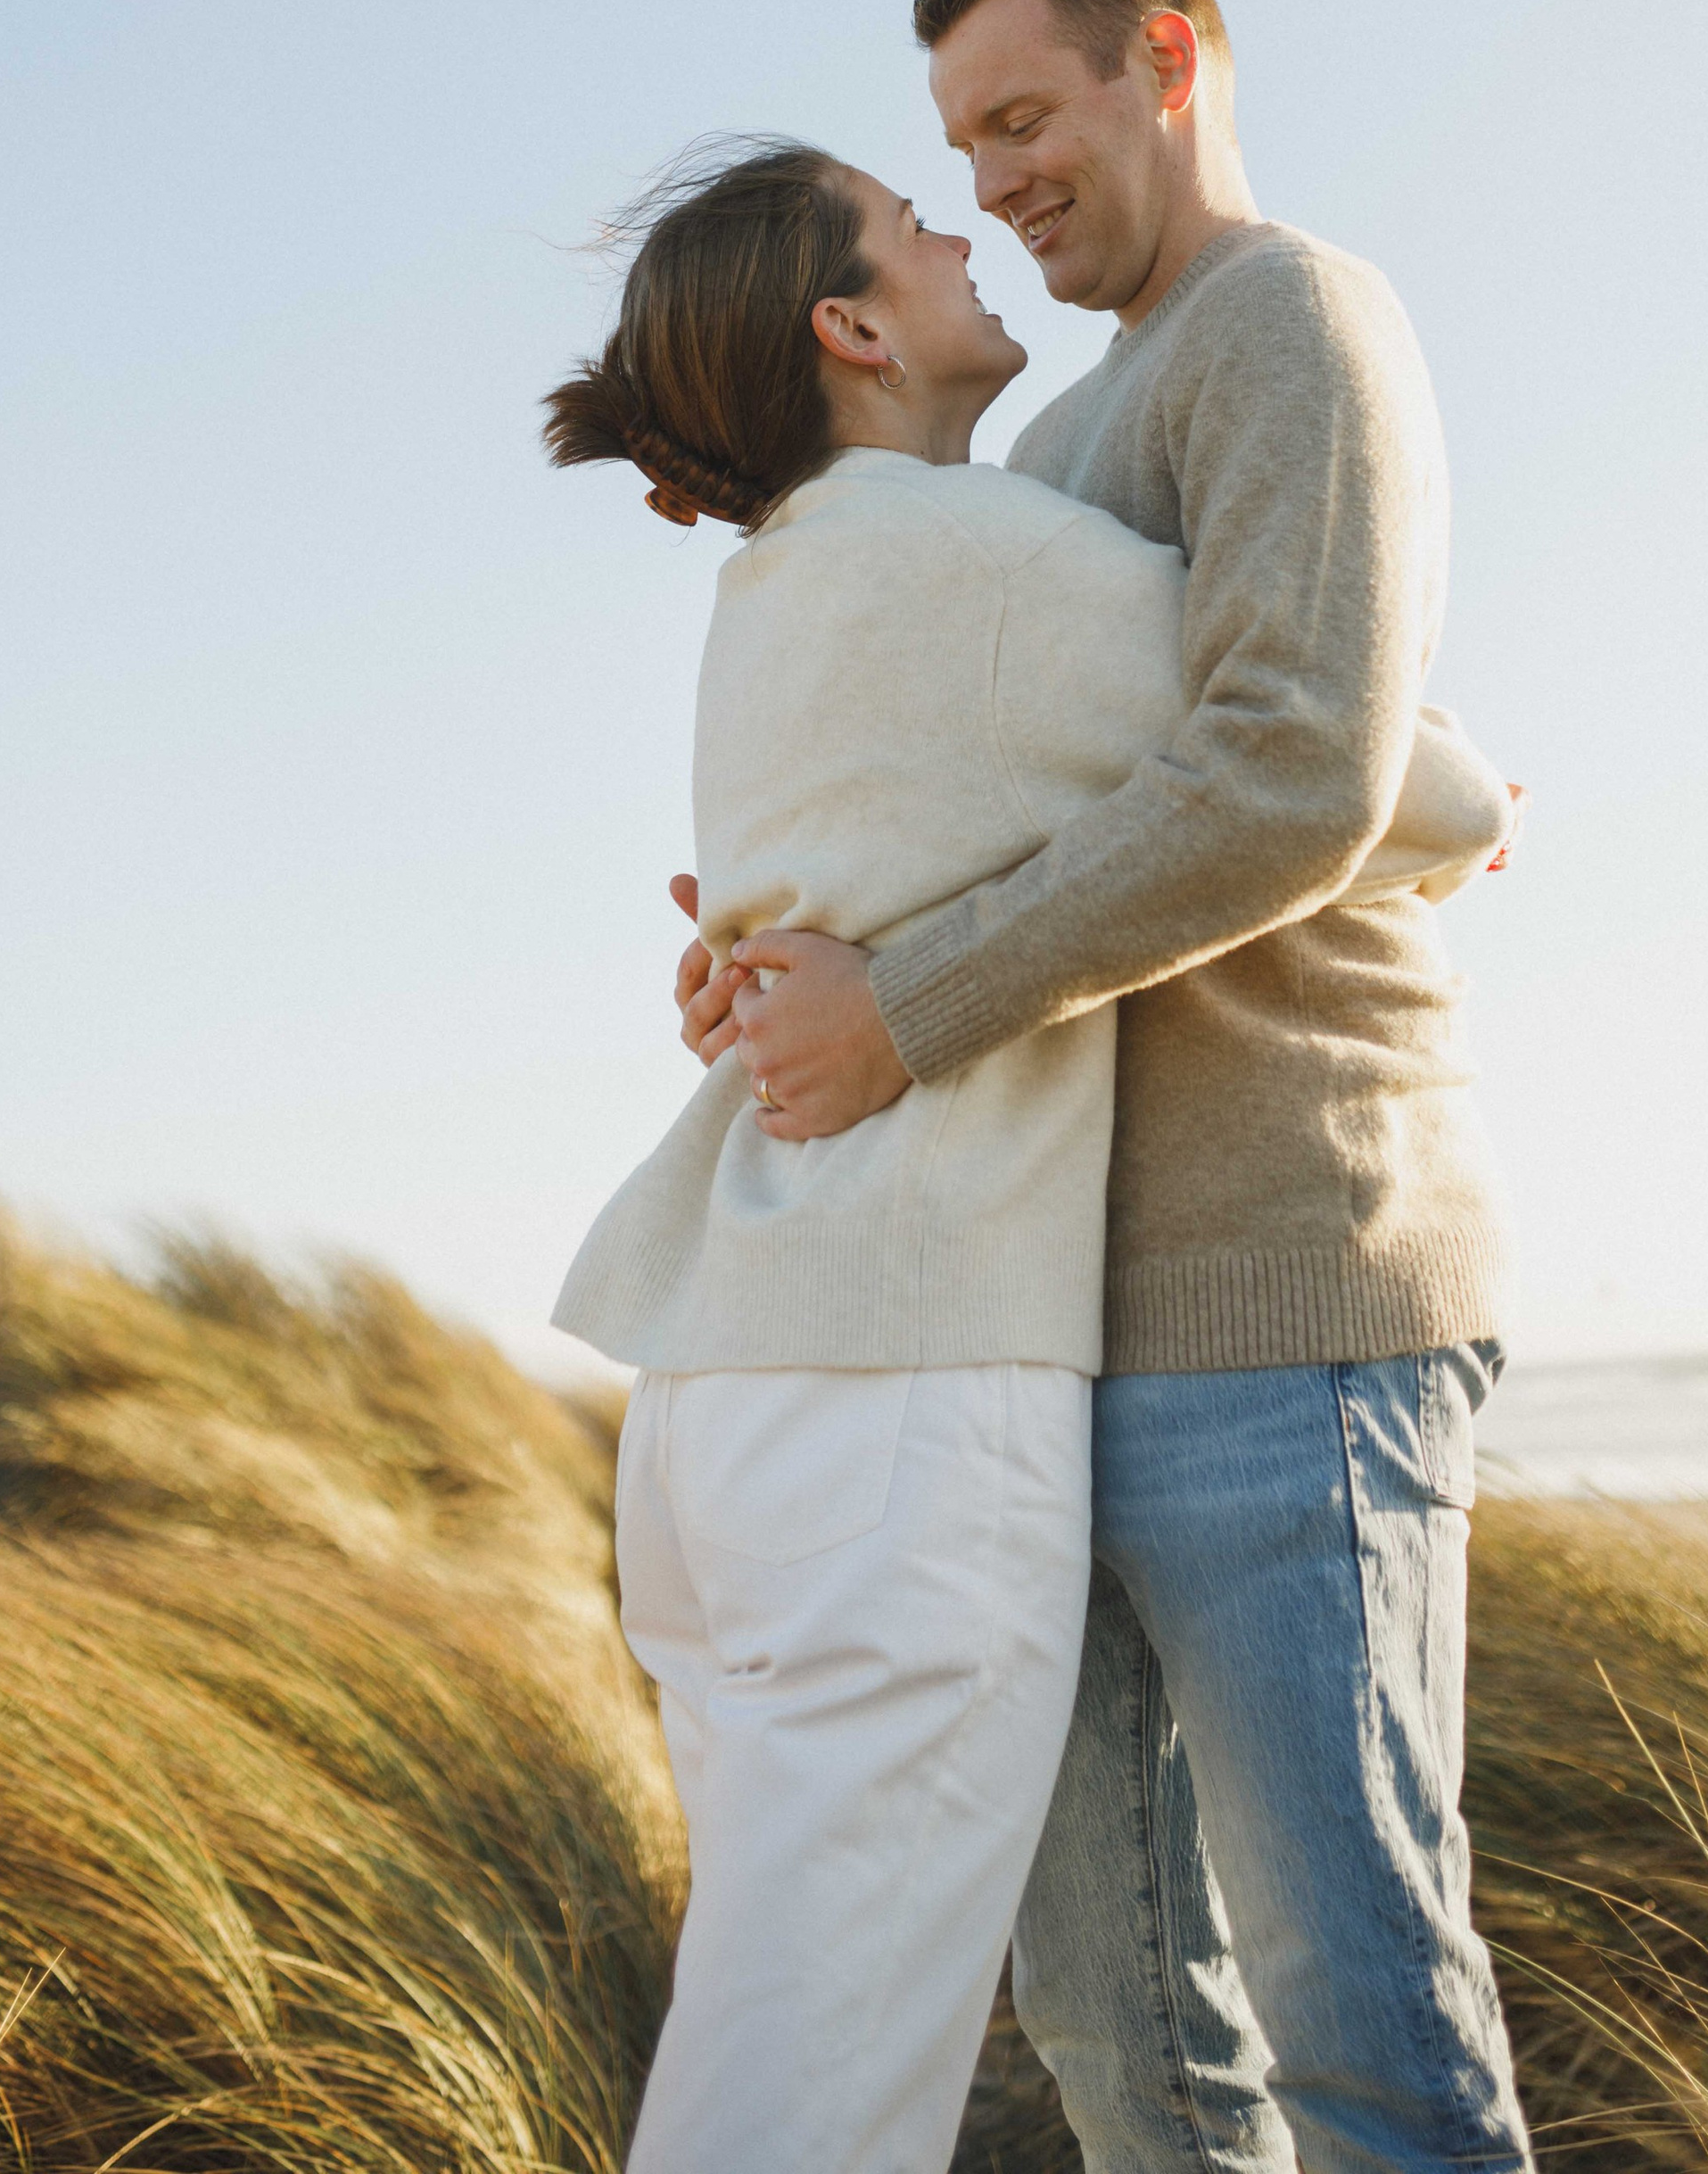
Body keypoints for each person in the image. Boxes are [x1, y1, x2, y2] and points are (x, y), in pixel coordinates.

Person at [548, 132, 1521, 2174]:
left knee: (776, 2019)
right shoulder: (965, 556)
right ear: (852, 324)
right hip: (896, 1378)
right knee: (815, 2091)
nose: (961, 226)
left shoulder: (779, 584)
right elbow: (1324, 757)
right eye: (914, 224)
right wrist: (1472, 791)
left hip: (728, 1388)